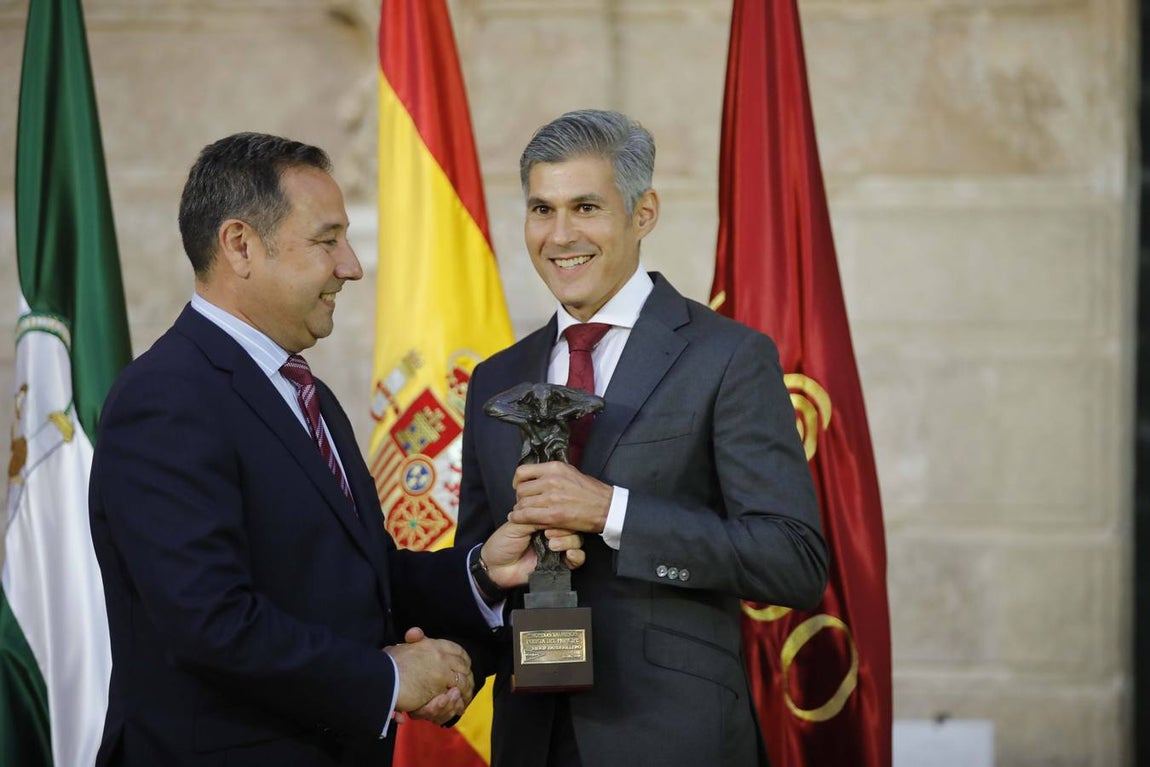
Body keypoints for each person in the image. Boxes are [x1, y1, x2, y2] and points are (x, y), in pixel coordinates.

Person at [88, 132, 582, 767]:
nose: (351, 265)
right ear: (241, 245)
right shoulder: (166, 398)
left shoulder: (306, 393)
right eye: (327, 241)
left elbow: (359, 578)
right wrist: (392, 679)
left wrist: (484, 569)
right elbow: (208, 622)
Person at [455, 109, 829, 767]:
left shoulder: (728, 356)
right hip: (530, 740)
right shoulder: (494, 378)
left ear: (643, 213)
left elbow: (792, 558)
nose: (560, 234)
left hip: (675, 738)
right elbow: (485, 561)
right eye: (541, 209)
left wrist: (611, 510)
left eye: (587, 206)